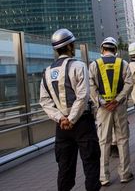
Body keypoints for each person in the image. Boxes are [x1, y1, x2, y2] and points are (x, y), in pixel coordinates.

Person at [39, 28, 100, 191]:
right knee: (91, 163)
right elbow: (83, 96)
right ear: (70, 46)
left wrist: (62, 119)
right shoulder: (79, 66)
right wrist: (72, 119)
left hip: (62, 127)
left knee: (65, 168)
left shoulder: (47, 72)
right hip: (82, 123)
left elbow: (44, 101)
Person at [89, 37, 134, 186]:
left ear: (102, 49)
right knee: (122, 140)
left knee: (103, 142)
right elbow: (129, 83)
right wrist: (118, 100)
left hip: (103, 109)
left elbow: (91, 87)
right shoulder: (123, 63)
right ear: (115, 50)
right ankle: (125, 174)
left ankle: (104, 177)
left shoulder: (94, 65)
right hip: (119, 107)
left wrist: (102, 102)